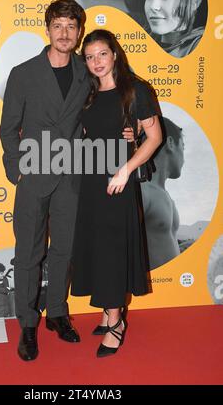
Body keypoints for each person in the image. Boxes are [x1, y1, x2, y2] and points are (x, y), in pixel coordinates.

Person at [0, 0, 135, 362]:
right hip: (34, 171)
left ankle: (57, 313)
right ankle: (28, 324)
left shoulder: (86, 69)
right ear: (47, 29)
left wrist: (128, 128)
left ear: (78, 32)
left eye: (71, 27)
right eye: (58, 26)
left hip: (74, 173)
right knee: (28, 252)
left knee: (64, 249)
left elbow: (115, 98)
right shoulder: (23, 73)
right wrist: (16, 169)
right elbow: (9, 128)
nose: (64, 33)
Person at [71, 29, 162, 358]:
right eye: (90, 56)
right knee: (96, 246)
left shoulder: (135, 90)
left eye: (102, 54)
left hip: (117, 180)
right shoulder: (88, 91)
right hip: (90, 179)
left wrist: (125, 168)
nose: (96, 62)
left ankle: (115, 321)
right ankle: (107, 310)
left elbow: (154, 138)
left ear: (115, 55)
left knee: (111, 248)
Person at [141, 117, 185, 270]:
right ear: (171, 144)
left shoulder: (166, 197)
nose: (183, 159)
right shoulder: (142, 191)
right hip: (152, 291)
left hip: (173, 287)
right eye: (183, 147)